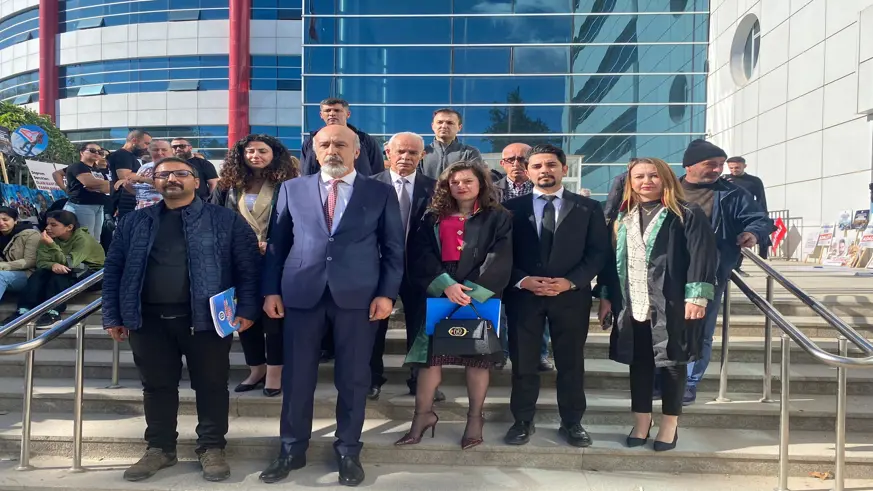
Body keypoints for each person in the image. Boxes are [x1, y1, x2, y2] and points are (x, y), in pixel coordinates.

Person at [258, 125, 404, 487]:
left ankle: (348, 450)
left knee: (353, 378)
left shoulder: (380, 192)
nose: (332, 149)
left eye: (340, 143)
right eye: (324, 144)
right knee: (297, 377)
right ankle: (291, 449)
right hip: (301, 294)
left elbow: (393, 248)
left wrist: (387, 294)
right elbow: (277, 244)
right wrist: (270, 291)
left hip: (359, 297)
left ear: (357, 151)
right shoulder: (292, 189)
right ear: (314, 150)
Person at [102, 157, 261, 483]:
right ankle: (160, 448)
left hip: (206, 320)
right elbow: (114, 269)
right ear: (154, 182)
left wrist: (247, 309)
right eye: (163, 175)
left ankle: (212, 447)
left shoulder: (225, 220)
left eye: (180, 173)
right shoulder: (134, 221)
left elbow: (248, 268)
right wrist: (112, 314)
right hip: (147, 320)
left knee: (212, 385)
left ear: (196, 181)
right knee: (156, 387)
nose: (171, 179)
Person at [598, 157, 717, 452]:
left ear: (665, 178)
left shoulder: (685, 212)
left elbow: (702, 255)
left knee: (673, 363)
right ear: (630, 182)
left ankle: (669, 425)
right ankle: (641, 421)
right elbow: (610, 262)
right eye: (639, 177)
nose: (646, 181)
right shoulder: (623, 216)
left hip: (672, 301)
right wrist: (606, 296)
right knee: (639, 362)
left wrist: (696, 297)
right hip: (632, 301)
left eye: (653, 175)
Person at [397, 159, 511, 450]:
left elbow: (500, 256)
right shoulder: (432, 216)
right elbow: (420, 253)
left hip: (478, 293)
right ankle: (422, 416)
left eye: (468, 181)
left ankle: (474, 419)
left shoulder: (498, 217)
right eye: (455, 182)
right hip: (439, 290)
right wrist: (444, 284)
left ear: (481, 184)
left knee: (476, 359)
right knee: (430, 360)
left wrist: (471, 291)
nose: (461, 186)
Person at [502, 144, 610, 448]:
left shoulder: (589, 208)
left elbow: (598, 252)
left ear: (564, 169)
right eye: (537, 166)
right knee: (524, 363)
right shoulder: (511, 209)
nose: (544, 171)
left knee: (571, 363)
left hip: (570, 298)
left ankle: (572, 422)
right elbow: (501, 252)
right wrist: (523, 280)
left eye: (550, 164)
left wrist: (571, 282)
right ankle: (522, 420)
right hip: (525, 297)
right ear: (527, 172)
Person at [679, 140, 773, 405]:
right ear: (689, 166)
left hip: (710, 272)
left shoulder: (732, 193)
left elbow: (761, 219)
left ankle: (689, 382)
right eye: (711, 164)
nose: (717, 170)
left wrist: (753, 232)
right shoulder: (668, 189)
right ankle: (661, 377)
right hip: (668, 271)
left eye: (720, 165)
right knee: (664, 327)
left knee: (700, 329)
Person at [211, 135, 300, 397]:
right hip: (239, 261)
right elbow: (215, 219)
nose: (255, 156)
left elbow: (299, 222)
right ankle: (256, 369)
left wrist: (273, 243)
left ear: (274, 154)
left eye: (262, 151)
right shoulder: (228, 185)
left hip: (277, 260)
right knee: (245, 316)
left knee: (274, 318)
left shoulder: (289, 184)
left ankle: (275, 372)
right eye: (249, 151)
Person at [368, 132, 438, 401]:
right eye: (400, 151)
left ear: (422, 156)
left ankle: (419, 380)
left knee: (421, 328)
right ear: (388, 152)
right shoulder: (369, 185)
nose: (406, 157)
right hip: (377, 268)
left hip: (419, 269)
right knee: (374, 326)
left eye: (413, 153)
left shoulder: (436, 189)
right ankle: (372, 379)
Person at [493, 142, 553, 372]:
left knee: (538, 309)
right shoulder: (490, 190)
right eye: (511, 160)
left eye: (522, 159)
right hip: (498, 256)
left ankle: (540, 354)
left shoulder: (542, 189)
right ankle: (499, 352)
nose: (516, 164)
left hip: (532, 257)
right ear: (503, 163)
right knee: (499, 308)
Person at [13, 211, 105, 326]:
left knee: (61, 274)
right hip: (66, 270)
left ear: (69, 227)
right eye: (47, 224)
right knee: (39, 273)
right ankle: (23, 310)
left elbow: (70, 263)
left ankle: (53, 313)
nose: (48, 228)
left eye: (53, 225)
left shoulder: (83, 239)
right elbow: (41, 262)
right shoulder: (48, 238)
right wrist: (52, 265)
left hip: (93, 275)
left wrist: (52, 245)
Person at [300, 98, 384, 177]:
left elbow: (378, 172)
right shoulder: (311, 141)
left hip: (359, 187)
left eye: (337, 110)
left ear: (348, 114)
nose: (332, 114)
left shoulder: (364, 140)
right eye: (327, 110)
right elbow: (305, 171)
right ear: (321, 115)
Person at [724, 156, 770, 274]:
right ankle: (731, 267)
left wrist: (763, 214)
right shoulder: (724, 179)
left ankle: (737, 267)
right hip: (729, 214)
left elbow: (761, 198)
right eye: (731, 168)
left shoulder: (754, 181)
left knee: (742, 239)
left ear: (744, 166)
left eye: (737, 167)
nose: (734, 170)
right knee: (731, 240)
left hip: (746, 214)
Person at [63, 142, 111, 241]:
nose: (96, 153)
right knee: (86, 238)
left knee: (96, 239)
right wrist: (105, 184)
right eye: (92, 150)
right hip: (82, 205)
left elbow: (106, 188)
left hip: (98, 205)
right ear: (82, 152)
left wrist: (103, 185)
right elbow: (90, 183)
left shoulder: (96, 169)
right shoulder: (77, 166)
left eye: (99, 152)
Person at [419, 108, 483, 179]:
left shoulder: (469, 153)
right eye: (440, 122)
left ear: (459, 127)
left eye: (450, 123)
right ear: (432, 126)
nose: (444, 126)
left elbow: (476, 179)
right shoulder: (421, 152)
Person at [0, 207, 39, 307]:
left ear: (15, 220)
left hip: (28, 275)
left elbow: (30, 261)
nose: (1, 223)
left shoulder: (30, 234)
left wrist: (3, 266)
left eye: (5, 219)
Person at [109, 130, 152, 219]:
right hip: (125, 200)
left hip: (133, 199)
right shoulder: (122, 155)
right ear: (134, 140)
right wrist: (145, 177)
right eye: (146, 143)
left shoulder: (132, 156)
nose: (147, 147)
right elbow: (125, 176)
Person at [125, 140, 172, 210]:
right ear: (150, 151)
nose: (159, 153)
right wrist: (128, 185)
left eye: (164, 150)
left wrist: (142, 179)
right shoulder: (145, 167)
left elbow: (168, 186)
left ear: (171, 151)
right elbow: (138, 191)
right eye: (155, 150)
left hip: (164, 209)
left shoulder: (175, 166)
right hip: (141, 209)